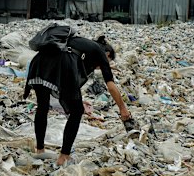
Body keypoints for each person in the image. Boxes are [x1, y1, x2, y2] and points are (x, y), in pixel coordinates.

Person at [23, 30, 132, 167]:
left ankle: (40, 150)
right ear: (107, 54)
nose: (99, 67)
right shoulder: (100, 52)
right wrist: (123, 109)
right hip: (62, 64)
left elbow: (67, 87)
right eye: (107, 61)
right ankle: (64, 157)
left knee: (42, 106)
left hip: (39, 62)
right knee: (77, 111)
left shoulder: (78, 43)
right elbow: (110, 84)